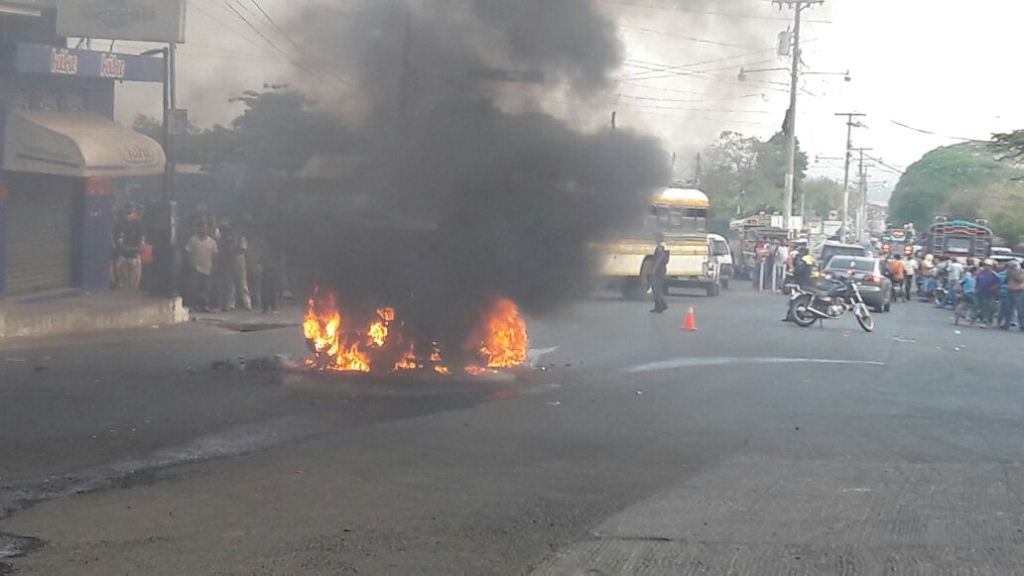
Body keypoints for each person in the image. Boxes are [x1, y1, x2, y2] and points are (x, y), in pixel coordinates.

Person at [185, 222, 218, 313]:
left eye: (205, 228)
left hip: (207, 268)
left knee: (206, 288)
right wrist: (190, 264)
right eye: (201, 227)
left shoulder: (212, 242)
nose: (203, 230)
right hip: (195, 268)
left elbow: (215, 255)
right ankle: (193, 305)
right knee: (193, 288)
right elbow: (187, 252)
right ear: (198, 228)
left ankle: (205, 305)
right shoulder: (192, 240)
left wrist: (214, 267)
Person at [975, 260, 1000, 327]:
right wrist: (976, 289)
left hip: (990, 293)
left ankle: (986, 320)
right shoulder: (980, 273)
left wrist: (993, 289)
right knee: (982, 306)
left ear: (991, 266)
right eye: (985, 265)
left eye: (988, 265)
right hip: (981, 292)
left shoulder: (994, 275)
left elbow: (998, 284)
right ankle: (985, 319)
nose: (986, 266)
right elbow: (977, 281)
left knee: (989, 307)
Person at [650, 233, 670, 314]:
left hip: (659, 270)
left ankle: (662, 305)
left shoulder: (660, 248)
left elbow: (659, 259)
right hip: (662, 269)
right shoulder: (665, 246)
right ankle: (657, 306)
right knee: (657, 287)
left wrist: (654, 269)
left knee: (656, 288)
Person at [1003, 261, 1024, 331]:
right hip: (1010, 291)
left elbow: (1020, 280)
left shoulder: (1021, 271)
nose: (1010, 268)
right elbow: (1005, 281)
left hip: (1019, 291)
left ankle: (1022, 325)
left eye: (1011, 267)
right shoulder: (1008, 272)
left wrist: (1013, 273)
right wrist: (1008, 274)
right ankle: (1006, 324)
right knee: (1008, 309)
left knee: (1020, 309)